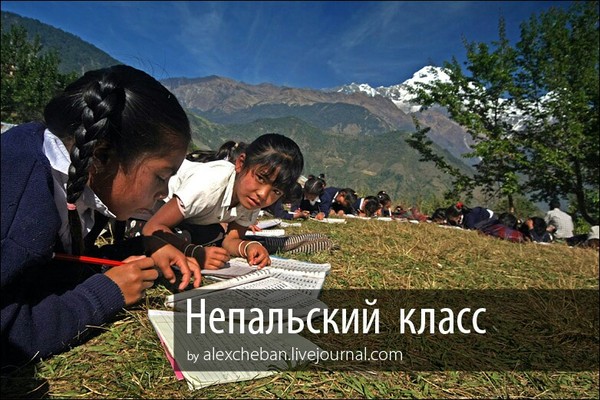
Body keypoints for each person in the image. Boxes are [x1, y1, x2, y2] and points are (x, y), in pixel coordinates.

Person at [1, 65, 199, 367]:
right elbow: (9, 333)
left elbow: (55, 268)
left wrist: (142, 249)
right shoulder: (18, 197)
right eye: (161, 177)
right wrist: (106, 293)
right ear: (102, 156)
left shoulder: (82, 187)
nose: (165, 193)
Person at [141, 133, 304, 269]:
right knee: (154, 235)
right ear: (240, 163)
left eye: (276, 191)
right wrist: (193, 252)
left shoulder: (252, 199)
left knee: (215, 235)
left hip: (189, 219)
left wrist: (248, 247)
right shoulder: (210, 183)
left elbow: (230, 239)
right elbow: (153, 227)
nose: (263, 194)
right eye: (260, 178)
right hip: (154, 203)